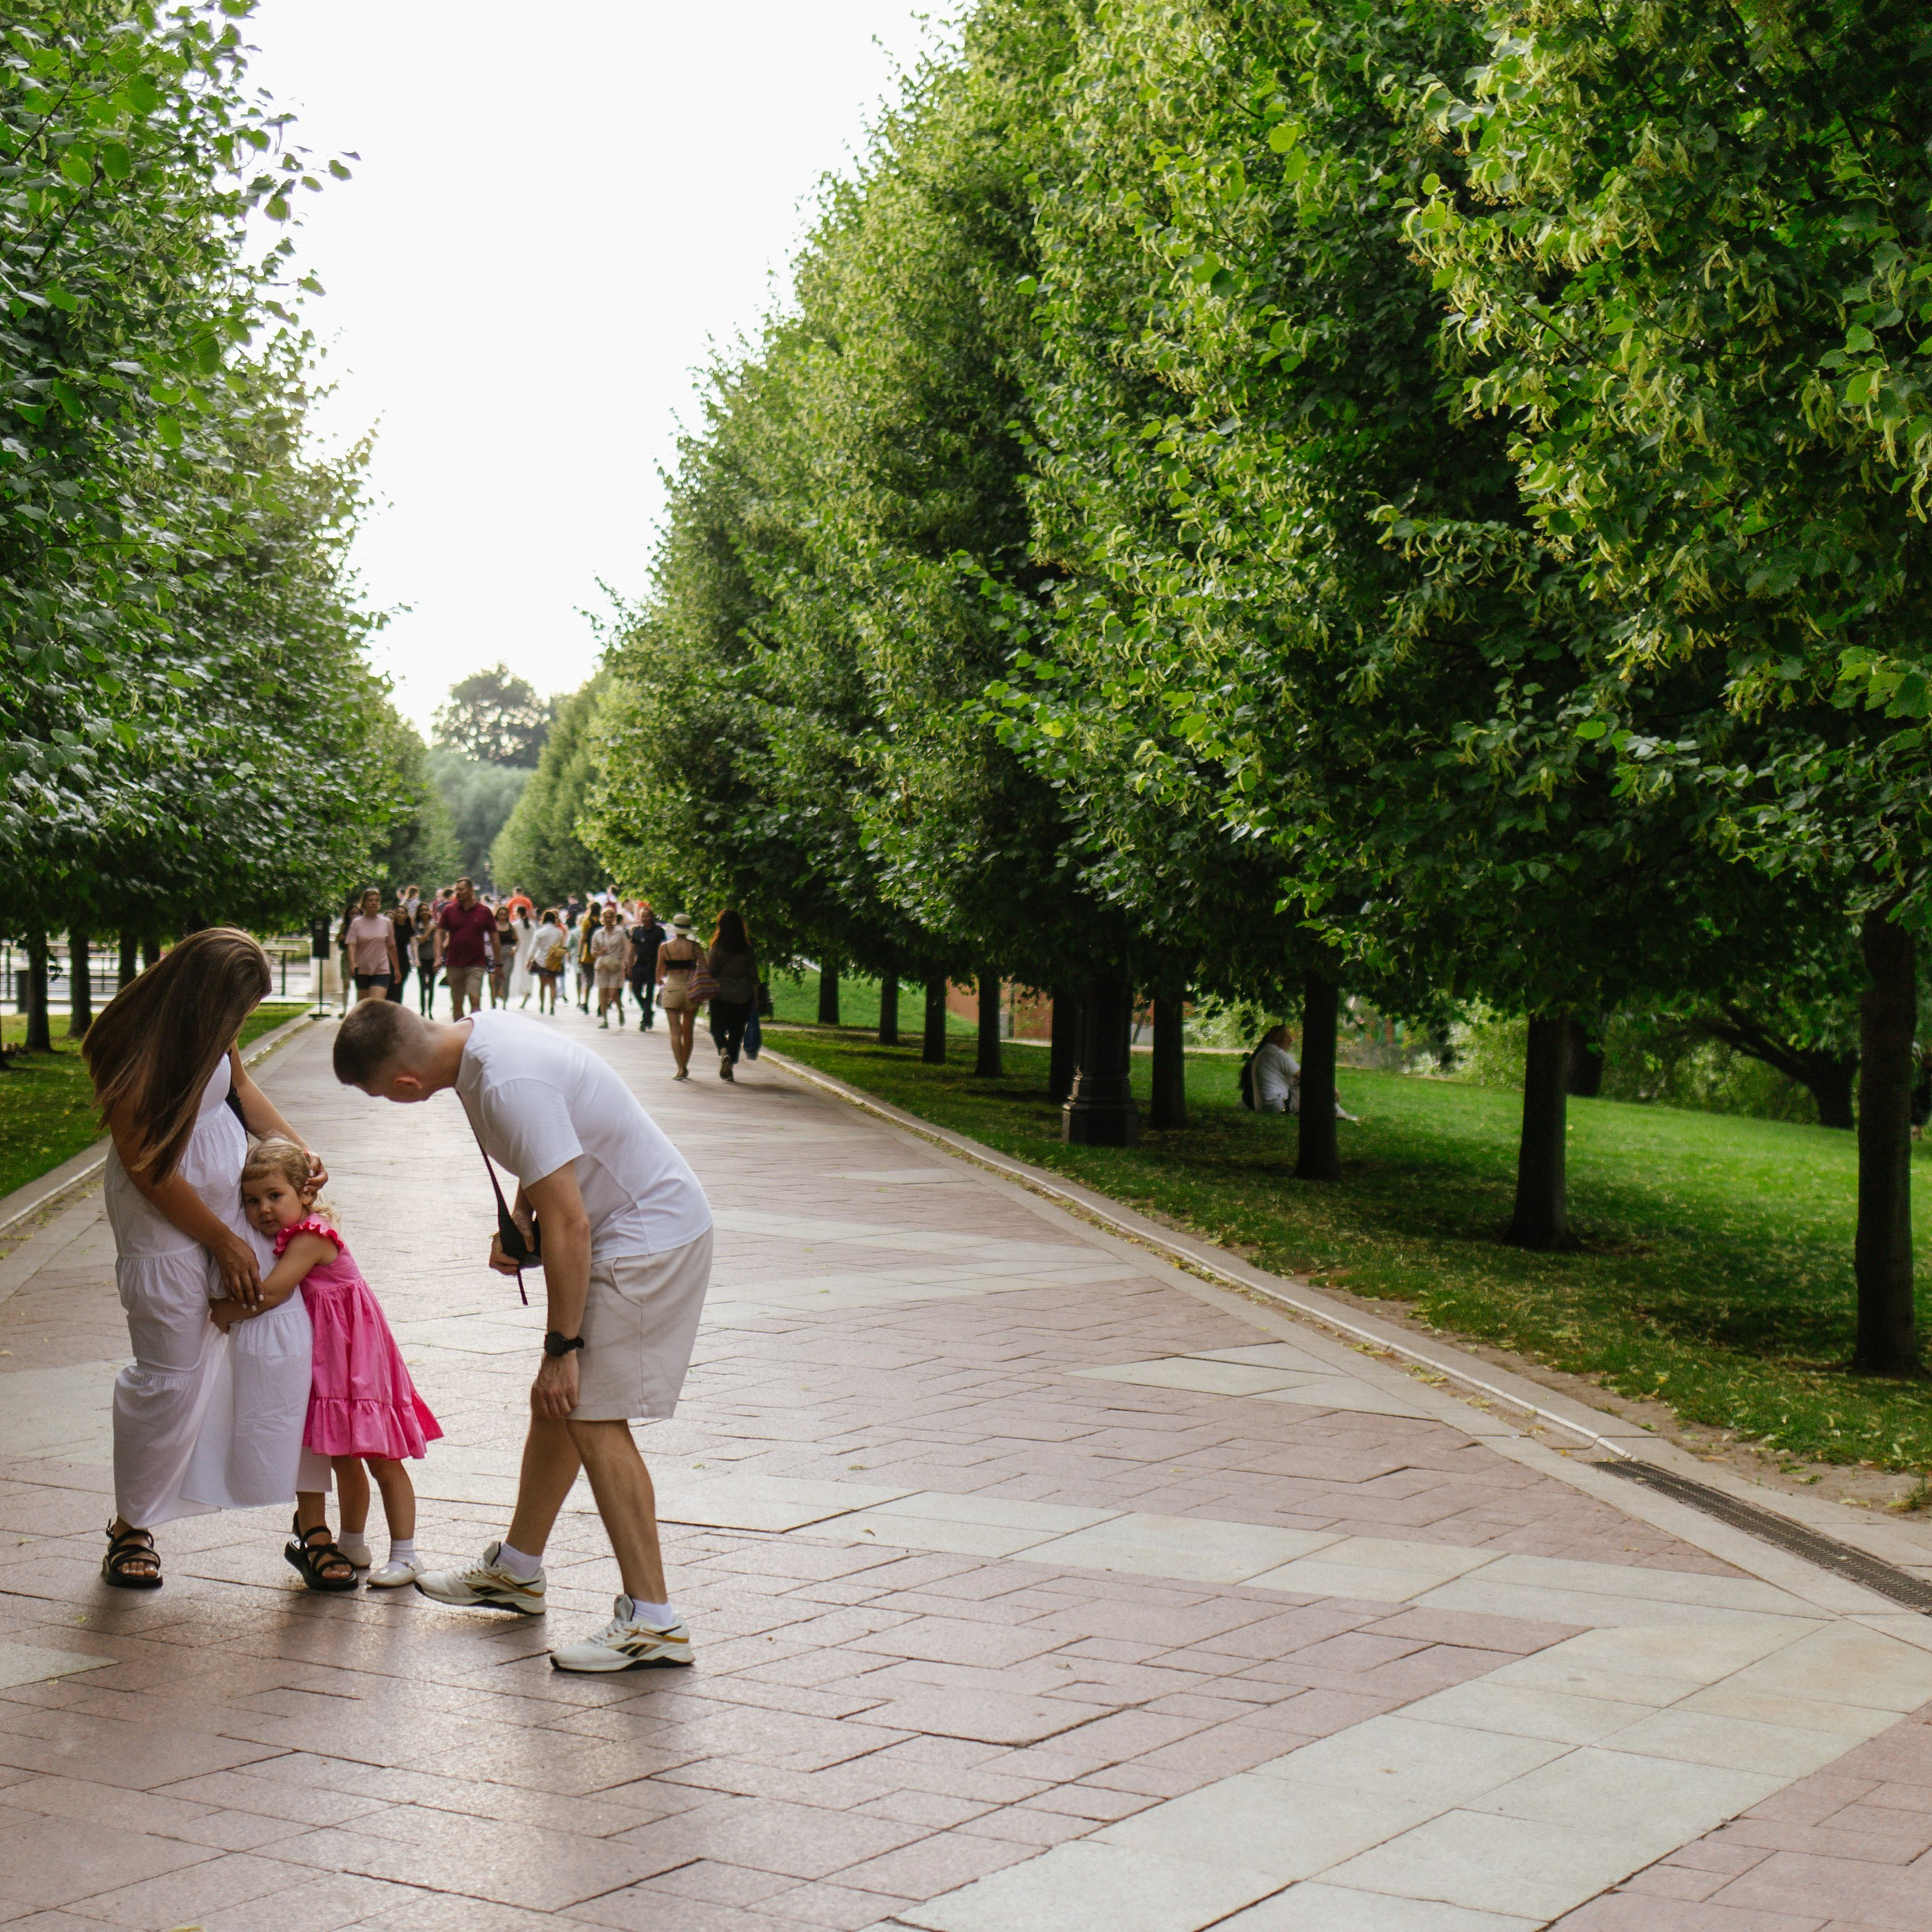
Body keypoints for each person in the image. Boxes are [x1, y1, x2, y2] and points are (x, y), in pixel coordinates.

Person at [332, 998, 713, 1673]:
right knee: (559, 1408)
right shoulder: (478, 1034)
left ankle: (655, 1620)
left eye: (378, 1095)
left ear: (404, 1086)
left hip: (647, 1238)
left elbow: (572, 1225)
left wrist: (560, 1350)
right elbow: (551, 1164)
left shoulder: (505, 1083)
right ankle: (517, 1571)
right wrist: (520, 1210)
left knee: (591, 1416)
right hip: (626, 1227)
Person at [81, 930, 328, 1589]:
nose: (239, 1026)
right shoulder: (131, 1045)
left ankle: (309, 1523)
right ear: (204, 998)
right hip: (165, 1223)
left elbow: (241, 1092)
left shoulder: (210, 1028)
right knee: (170, 1372)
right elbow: (147, 1168)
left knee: (280, 1347)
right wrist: (220, 1242)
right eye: (238, 1013)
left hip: (232, 1208)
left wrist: (297, 1152)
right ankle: (131, 1524)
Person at [211, 1139, 441, 1591]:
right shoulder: (296, 1234)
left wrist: (226, 1311)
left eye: (275, 1196)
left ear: (305, 1194)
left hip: (358, 1358)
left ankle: (407, 1553)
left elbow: (273, 1292)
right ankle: (352, 1541)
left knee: (382, 1458)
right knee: (342, 1457)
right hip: (335, 1360)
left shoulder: (312, 1238)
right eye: (252, 1201)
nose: (263, 1209)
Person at [705, 910, 759, 1082]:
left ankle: (724, 1052)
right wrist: (755, 1000)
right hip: (743, 996)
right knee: (736, 1032)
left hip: (720, 995)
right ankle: (731, 1066)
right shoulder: (748, 950)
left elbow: (710, 971)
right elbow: (754, 977)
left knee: (717, 1029)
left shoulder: (718, 949)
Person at [435, 876, 497, 1020]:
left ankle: (475, 1033)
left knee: (475, 999)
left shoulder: (484, 911)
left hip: (476, 964)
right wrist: (438, 957)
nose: (458, 892)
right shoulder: (449, 910)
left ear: (470, 891)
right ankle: (460, 1034)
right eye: (456, 890)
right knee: (457, 1003)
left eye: (461, 889)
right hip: (454, 963)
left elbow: (494, 937)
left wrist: (498, 962)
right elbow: (439, 934)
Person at [656, 914, 702, 1081]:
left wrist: (663, 981)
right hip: (691, 989)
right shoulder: (695, 947)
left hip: (672, 987)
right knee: (687, 1031)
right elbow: (703, 969)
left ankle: (680, 1068)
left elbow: (659, 975)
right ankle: (685, 1065)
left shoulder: (665, 947)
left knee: (675, 1032)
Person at [343, 888, 401, 1004]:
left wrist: (396, 968)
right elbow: (352, 945)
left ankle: (377, 1023)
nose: (374, 903)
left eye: (376, 900)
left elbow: (391, 946)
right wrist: (352, 962)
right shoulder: (357, 923)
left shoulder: (386, 922)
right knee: (364, 1006)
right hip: (363, 968)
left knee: (376, 1004)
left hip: (381, 969)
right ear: (364, 903)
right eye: (370, 900)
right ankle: (364, 1023)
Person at [626, 902, 666, 1034]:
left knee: (649, 993)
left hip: (652, 966)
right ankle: (648, 1011)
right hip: (639, 965)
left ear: (652, 917)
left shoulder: (659, 932)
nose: (645, 919)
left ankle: (645, 1020)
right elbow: (632, 949)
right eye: (643, 916)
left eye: (647, 916)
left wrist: (661, 969)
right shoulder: (637, 931)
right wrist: (629, 965)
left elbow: (663, 950)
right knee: (636, 990)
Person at [591, 904, 631, 1029]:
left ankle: (620, 1010)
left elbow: (626, 949)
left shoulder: (620, 933)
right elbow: (592, 951)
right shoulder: (598, 934)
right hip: (602, 965)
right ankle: (605, 1019)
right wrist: (598, 952)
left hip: (616, 966)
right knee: (602, 992)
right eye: (606, 917)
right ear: (603, 918)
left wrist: (625, 964)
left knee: (613, 993)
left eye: (610, 917)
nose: (608, 919)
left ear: (614, 918)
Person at [1251, 1025, 1300, 1114]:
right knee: (1314, 1086)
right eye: (1287, 1037)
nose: (1291, 1040)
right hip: (1278, 1106)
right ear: (1277, 1038)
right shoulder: (1277, 1054)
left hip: (1263, 1107)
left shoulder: (1264, 1053)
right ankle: (1330, 1111)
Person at [531, 909, 568, 1014]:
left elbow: (534, 947)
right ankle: (552, 1006)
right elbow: (563, 946)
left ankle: (542, 1005)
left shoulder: (540, 932)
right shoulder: (559, 932)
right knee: (552, 984)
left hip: (541, 959)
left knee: (542, 985)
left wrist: (529, 959)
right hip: (553, 960)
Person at [509, 903, 539, 1008]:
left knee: (518, 973)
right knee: (527, 974)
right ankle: (527, 993)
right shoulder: (532, 926)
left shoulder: (514, 925)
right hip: (529, 952)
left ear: (517, 913)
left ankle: (520, 993)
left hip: (519, 952)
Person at [412, 908, 438, 1017]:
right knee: (422, 985)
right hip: (422, 959)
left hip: (433, 958)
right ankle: (423, 1011)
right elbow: (420, 940)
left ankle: (430, 1011)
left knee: (432, 985)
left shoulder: (435, 925)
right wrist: (429, 930)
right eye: (421, 911)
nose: (424, 913)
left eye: (426, 910)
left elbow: (440, 940)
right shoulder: (417, 926)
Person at [390, 894, 415, 1008]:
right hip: (390, 959)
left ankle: (397, 1009)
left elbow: (413, 944)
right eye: (398, 912)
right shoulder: (390, 927)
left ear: (406, 916)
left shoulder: (408, 928)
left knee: (399, 987)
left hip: (403, 960)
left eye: (402, 913)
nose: (400, 914)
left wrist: (416, 958)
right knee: (391, 987)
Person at [490, 899, 516, 1008]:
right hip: (495, 954)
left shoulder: (511, 927)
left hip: (508, 954)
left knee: (505, 977)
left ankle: (504, 1001)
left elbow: (517, 940)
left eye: (504, 915)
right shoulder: (493, 927)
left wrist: (515, 949)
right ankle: (494, 999)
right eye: (500, 914)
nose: (502, 917)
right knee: (494, 979)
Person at [574, 906, 598, 1014]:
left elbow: (583, 939)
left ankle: (586, 1002)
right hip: (598, 954)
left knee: (588, 979)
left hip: (587, 954)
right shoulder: (600, 921)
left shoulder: (586, 921)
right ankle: (600, 1005)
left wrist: (579, 955)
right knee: (598, 980)